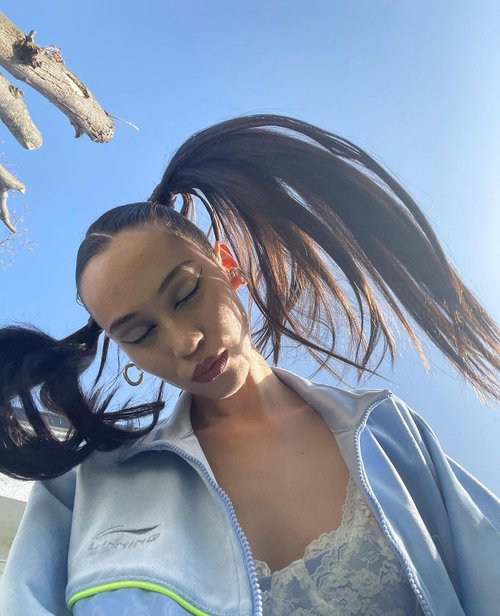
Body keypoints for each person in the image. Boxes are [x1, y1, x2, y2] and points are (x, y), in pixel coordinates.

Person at [0, 114, 498, 616]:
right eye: (141, 334)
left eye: (186, 294)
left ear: (228, 265)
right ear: (125, 352)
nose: (185, 341)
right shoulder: (83, 489)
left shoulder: (385, 431)